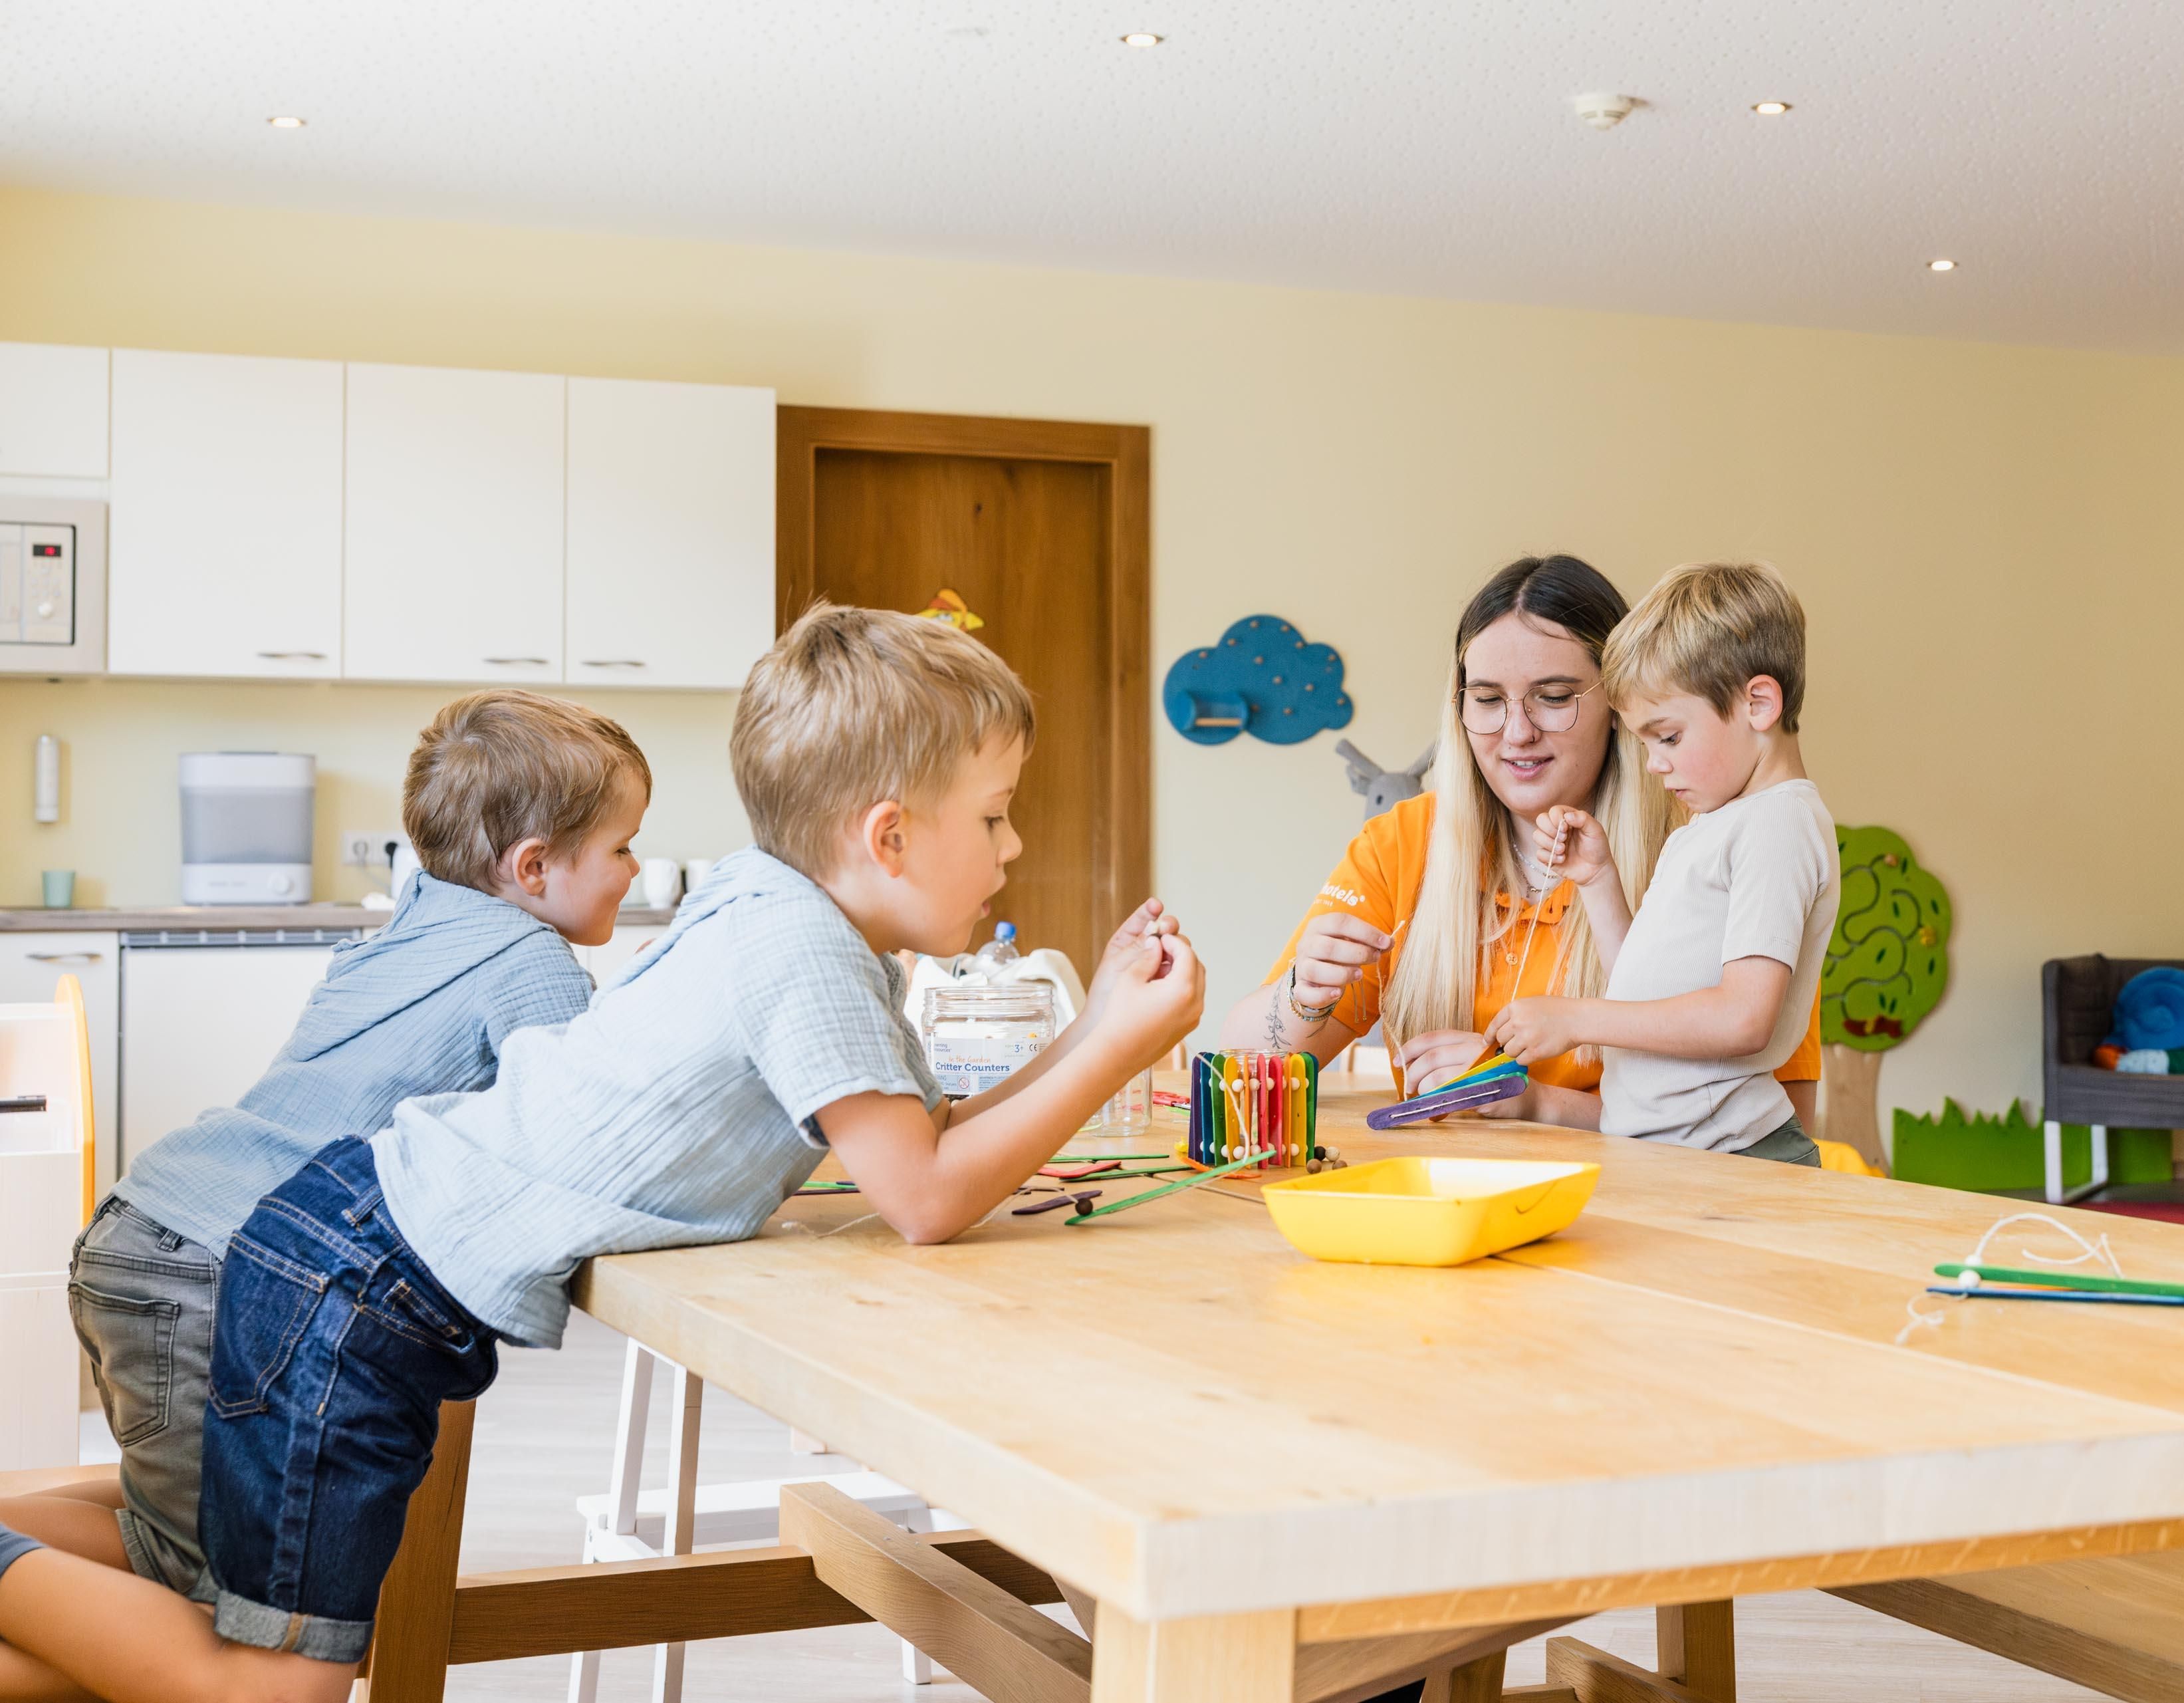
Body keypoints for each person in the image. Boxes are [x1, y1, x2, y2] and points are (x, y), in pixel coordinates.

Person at [0, 605, 1203, 1703]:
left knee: (228, 1605)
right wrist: (1113, 1046)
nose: (1015, 844)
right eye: (993, 815)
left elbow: (927, 1146)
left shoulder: (778, 913)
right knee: (272, 1689)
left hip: (346, 1262)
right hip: (353, 1294)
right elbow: (927, 1197)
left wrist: (1100, 1023)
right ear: (888, 836)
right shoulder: (805, 954)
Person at [0, 690, 650, 1597]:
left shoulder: (411, 929)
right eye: (621, 846)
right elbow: (598, 1131)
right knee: (210, 1585)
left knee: (170, 1535)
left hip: (156, 1234)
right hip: (219, 1275)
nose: (636, 868)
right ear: (534, 867)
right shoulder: (528, 960)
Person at [1221, 553, 1820, 1128]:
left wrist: (1533, 1103)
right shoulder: (1402, 844)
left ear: (1620, 703)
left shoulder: (1709, 841)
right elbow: (1243, 1072)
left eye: (1554, 698)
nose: (1517, 732)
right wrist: (1301, 993)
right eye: (1486, 700)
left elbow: (1780, 1124)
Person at [1489, 562, 1838, 1162]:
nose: (1653, 764)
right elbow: (1645, 998)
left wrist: (1575, 1019)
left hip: (1737, 1156)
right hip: (1680, 1155)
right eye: (1644, 743)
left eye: (1669, 737)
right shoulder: (1713, 826)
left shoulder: (1777, 824)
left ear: (1759, 703)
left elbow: (1742, 1018)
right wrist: (1598, 880)